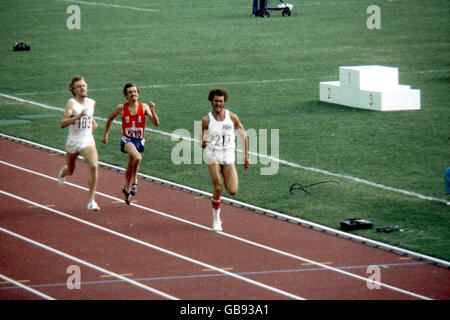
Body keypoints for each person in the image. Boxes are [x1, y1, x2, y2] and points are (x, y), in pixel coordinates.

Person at [102, 83, 160, 205]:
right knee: (137, 157)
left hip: (139, 140)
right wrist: (106, 134)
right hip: (127, 140)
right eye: (130, 92)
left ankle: (126, 189)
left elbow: (156, 123)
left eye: (134, 91)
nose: (133, 94)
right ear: (126, 96)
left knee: (130, 165)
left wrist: (153, 110)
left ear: (138, 93)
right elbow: (110, 118)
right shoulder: (121, 108)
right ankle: (135, 181)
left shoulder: (144, 107)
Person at [201, 89, 250, 231]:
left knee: (233, 190)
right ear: (212, 101)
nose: (218, 104)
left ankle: (224, 173)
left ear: (224, 102)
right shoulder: (207, 120)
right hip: (213, 154)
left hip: (228, 155)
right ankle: (216, 220)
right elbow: (203, 143)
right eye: (216, 101)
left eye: (221, 101)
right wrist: (206, 140)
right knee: (218, 186)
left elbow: (243, 135)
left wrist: (245, 157)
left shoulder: (232, 117)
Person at [58, 76, 100, 211]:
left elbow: (92, 120)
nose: (82, 88)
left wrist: (91, 128)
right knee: (71, 170)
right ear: (74, 90)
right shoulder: (71, 103)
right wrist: (78, 116)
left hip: (87, 140)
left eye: (84, 85)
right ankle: (63, 172)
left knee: (94, 166)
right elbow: (63, 123)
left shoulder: (92, 102)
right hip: (73, 141)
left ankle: (91, 201)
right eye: (79, 86)